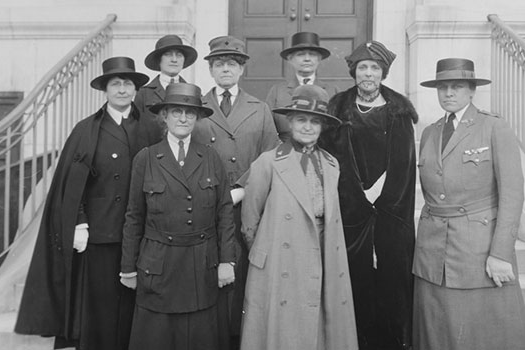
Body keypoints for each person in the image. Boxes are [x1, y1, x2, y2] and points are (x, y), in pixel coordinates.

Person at [15, 56, 161, 349]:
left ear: (136, 89)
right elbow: (71, 184)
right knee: (100, 309)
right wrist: (79, 221)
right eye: (115, 84)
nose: (122, 89)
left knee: (137, 309)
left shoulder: (152, 128)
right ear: (105, 89)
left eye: (128, 84)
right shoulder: (86, 130)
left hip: (144, 234)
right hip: (100, 235)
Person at [413, 58, 525, 350]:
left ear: (472, 90)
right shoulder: (430, 132)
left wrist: (500, 253)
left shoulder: (493, 127)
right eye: (443, 87)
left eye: (457, 86)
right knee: (438, 332)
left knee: (480, 333)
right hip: (432, 251)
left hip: (477, 248)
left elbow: (512, 194)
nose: (449, 93)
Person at [240, 85, 358, 350]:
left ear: (322, 127)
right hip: (280, 256)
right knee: (283, 329)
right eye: (302, 120)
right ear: (290, 122)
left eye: (315, 122)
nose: (308, 127)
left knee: (317, 320)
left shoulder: (330, 163)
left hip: (322, 249)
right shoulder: (267, 162)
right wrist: (269, 251)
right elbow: (250, 220)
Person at [120, 82, 236, 350]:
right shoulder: (146, 159)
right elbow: (134, 217)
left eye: (190, 113)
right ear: (165, 116)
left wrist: (227, 261)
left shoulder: (210, 158)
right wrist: (127, 267)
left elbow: (224, 213)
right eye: (176, 112)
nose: (183, 119)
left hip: (200, 266)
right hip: (158, 267)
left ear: (196, 119)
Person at [318, 41, 418, 350]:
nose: (368, 74)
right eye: (363, 67)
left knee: (391, 287)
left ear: (383, 73)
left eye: (375, 68)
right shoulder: (338, 107)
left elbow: (404, 164)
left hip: (390, 214)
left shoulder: (399, 110)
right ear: (354, 71)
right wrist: (357, 196)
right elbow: (328, 157)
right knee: (353, 286)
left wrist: (379, 196)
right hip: (350, 213)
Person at [191, 35, 279, 349]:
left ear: (241, 70)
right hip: (204, 203)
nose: (226, 69)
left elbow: (270, 155)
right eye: (219, 64)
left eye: (232, 63)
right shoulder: (194, 106)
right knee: (208, 269)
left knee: (242, 272)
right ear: (211, 70)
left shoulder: (260, 108)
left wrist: (242, 188)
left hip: (247, 204)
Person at [266, 31, 339, 141]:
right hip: (286, 151)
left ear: (319, 59)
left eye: (312, 55)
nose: (307, 59)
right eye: (300, 54)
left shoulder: (333, 91)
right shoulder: (277, 91)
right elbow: (268, 129)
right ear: (290, 59)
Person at [134, 34, 198, 141]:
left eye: (179, 55)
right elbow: (136, 131)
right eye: (168, 55)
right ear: (159, 60)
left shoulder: (193, 93)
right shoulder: (144, 94)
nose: (174, 60)